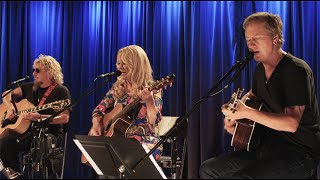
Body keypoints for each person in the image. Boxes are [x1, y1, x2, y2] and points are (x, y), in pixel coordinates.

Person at [199, 12, 320, 179]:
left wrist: (247, 112)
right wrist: (234, 115)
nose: (250, 44)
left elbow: (291, 123)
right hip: (266, 148)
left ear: (275, 39)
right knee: (208, 169)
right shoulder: (259, 71)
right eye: (248, 40)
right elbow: (252, 97)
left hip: (299, 154)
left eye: (256, 38)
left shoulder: (296, 70)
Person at [87, 45, 164, 163]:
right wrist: (96, 123)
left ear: (137, 65)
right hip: (119, 140)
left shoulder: (152, 89)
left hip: (144, 141)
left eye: (124, 63)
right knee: (102, 157)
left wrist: (149, 101)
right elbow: (99, 108)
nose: (120, 67)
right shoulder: (118, 87)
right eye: (118, 63)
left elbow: (153, 121)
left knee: (116, 158)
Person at [0, 54, 72, 179]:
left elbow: (65, 118)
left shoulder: (61, 91)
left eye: (37, 70)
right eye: (33, 70)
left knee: (7, 142)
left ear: (49, 71)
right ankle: (15, 175)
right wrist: (10, 107)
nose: (33, 73)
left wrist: (39, 117)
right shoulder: (30, 87)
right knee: (4, 142)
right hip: (26, 133)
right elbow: (6, 94)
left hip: (48, 134)